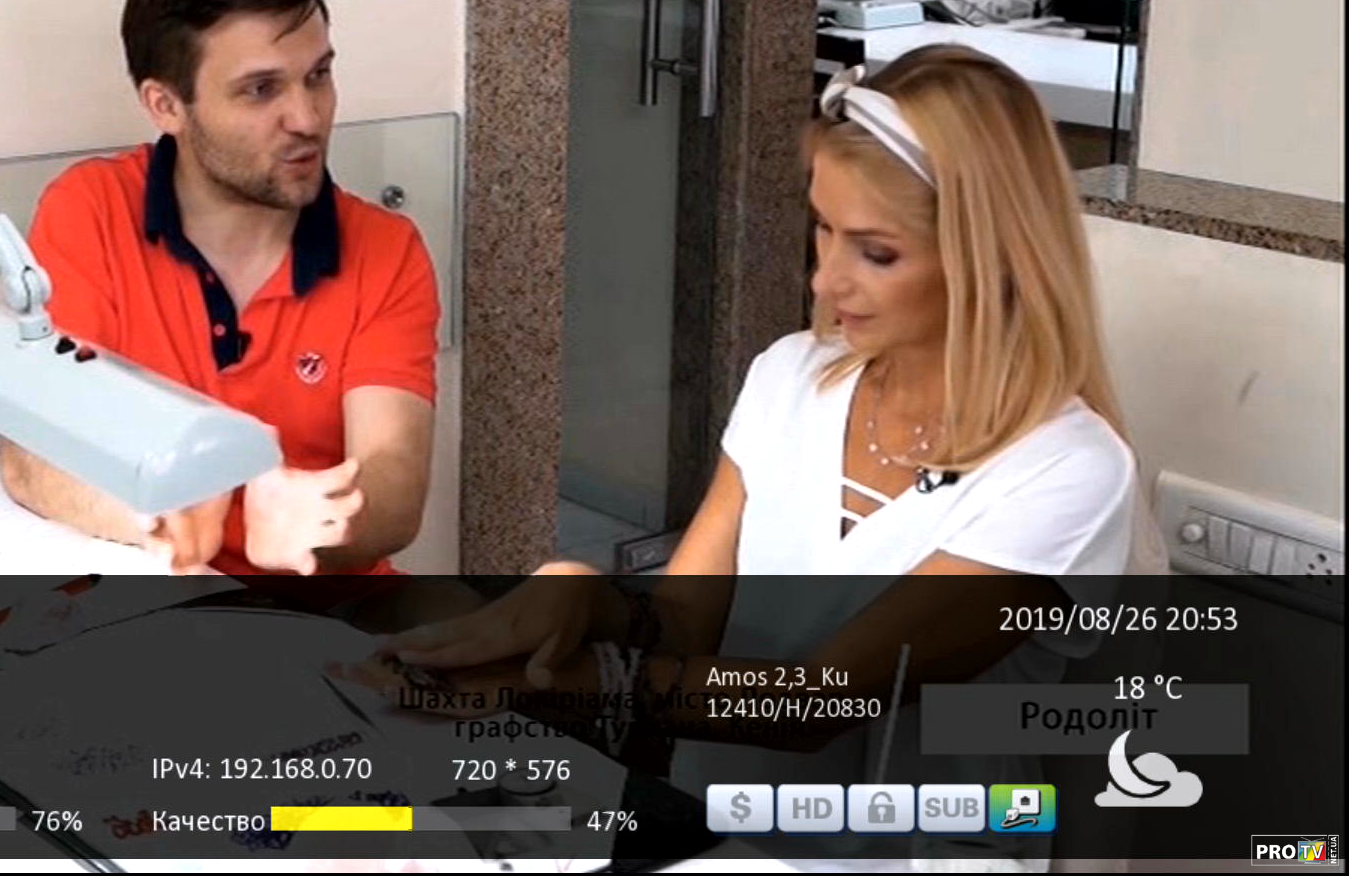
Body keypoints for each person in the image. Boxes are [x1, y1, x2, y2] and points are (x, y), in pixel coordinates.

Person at [341, 45, 1167, 803]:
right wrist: (581, 598)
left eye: (876, 252)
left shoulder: (1067, 469)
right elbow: (685, 624)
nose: (825, 282)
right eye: (823, 229)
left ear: (989, 257)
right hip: (720, 827)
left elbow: (816, 704)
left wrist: (547, 683)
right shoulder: (790, 376)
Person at [0, 0, 440, 577]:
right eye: (261, 89)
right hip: (162, 601)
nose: (308, 118)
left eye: (318, 76)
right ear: (165, 106)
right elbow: (31, 460)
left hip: (331, 620)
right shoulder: (89, 210)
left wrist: (321, 525)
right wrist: (157, 519)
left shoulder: (386, 249)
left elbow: (395, 484)